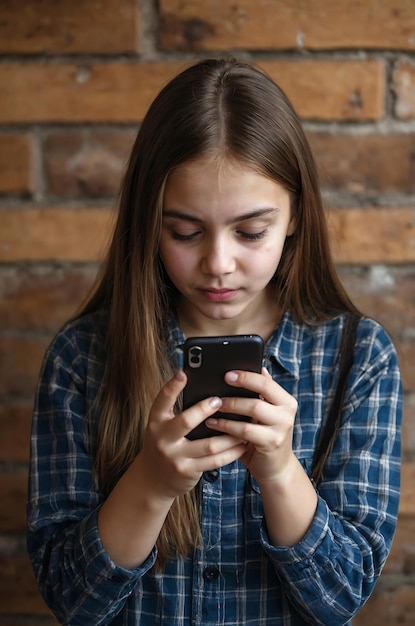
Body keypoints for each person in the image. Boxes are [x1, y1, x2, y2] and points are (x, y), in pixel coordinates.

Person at [27, 58, 402, 626]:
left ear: (296, 214)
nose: (218, 264)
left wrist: (279, 471)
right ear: (148, 222)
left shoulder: (357, 358)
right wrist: (151, 484)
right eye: (185, 231)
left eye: (251, 231)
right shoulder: (83, 358)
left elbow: (342, 599)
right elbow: (72, 602)